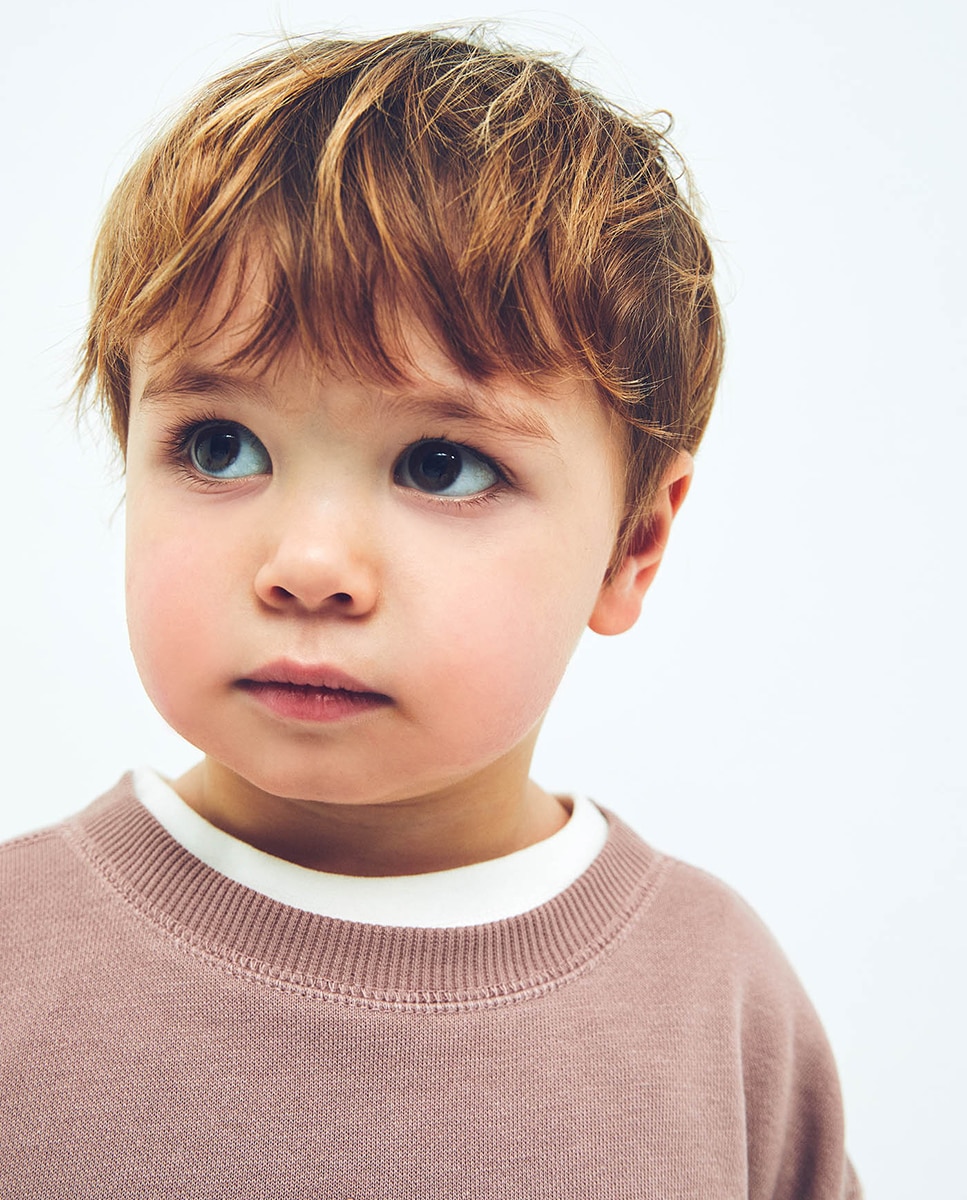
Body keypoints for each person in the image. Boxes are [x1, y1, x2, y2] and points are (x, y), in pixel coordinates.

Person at [0, 29, 861, 1197]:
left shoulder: (719, 1009)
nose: (308, 566)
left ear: (634, 543)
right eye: (219, 446)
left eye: (442, 466)